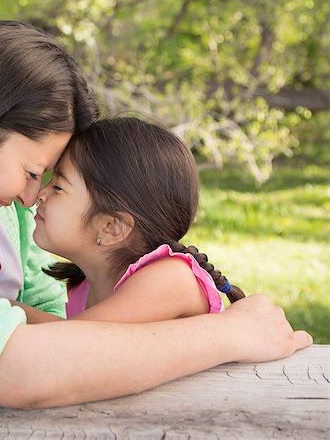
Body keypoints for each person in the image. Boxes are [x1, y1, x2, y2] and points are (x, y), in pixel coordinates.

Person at [0, 20, 312, 412]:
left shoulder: (1, 218)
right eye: (31, 172)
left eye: (47, 178)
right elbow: (20, 366)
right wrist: (232, 334)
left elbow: (58, 336)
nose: (30, 198)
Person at [29, 117, 244, 323]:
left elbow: (72, 342)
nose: (40, 194)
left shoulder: (170, 279)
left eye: (58, 187)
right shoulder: (84, 288)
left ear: (111, 227)